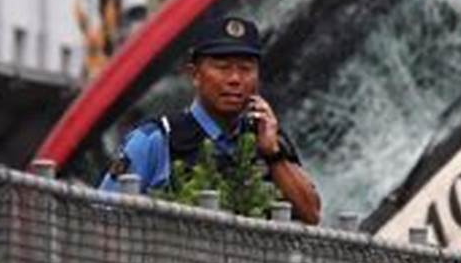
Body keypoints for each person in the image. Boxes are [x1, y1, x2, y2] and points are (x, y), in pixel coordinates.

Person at [99, 15, 321, 225]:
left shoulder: (267, 139)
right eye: (222, 68)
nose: (235, 79)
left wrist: (274, 155)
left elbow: (311, 213)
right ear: (195, 75)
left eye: (246, 69)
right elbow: (102, 217)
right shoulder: (157, 139)